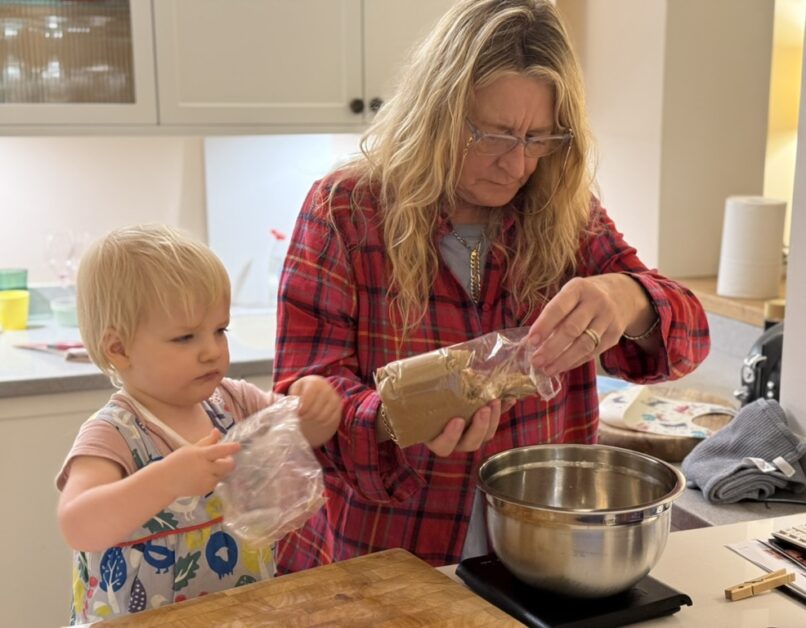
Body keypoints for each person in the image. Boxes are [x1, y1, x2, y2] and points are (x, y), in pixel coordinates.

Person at [272, 0, 710, 573]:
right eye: (496, 134)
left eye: (538, 138)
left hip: (544, 550)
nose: (518, 164)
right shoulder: (347, 210)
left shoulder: (566, 214)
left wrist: (628, 299)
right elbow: (303, 401)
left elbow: (689, 338)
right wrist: (400, 416)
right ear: (438, 113)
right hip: (389, 555)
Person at [55, 224, 342, 624]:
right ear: (119, 349)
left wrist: (314, 404)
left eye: (219, 330)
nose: (211, 351)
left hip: (238, 615)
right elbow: (77, 525)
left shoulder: (234, 401)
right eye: (185, 337)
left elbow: (302, 434)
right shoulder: (114, 433)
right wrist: (166, 480)